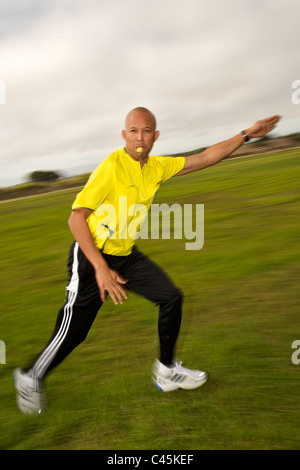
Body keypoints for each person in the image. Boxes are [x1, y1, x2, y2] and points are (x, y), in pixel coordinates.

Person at [14, 107, 280, 414]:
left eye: (146, 131)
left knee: (171, 298)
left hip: (126, 255)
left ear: (155, 136)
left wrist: (248, 134)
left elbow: (206, 157)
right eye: (134, 131)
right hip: (91, 257)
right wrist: (101, 268)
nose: (140, 137)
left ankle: (166, 371)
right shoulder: (110, 168)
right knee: (74, 331)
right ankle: (30, 376)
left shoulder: (156, 167)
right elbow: (77, 219)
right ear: (124, 135)